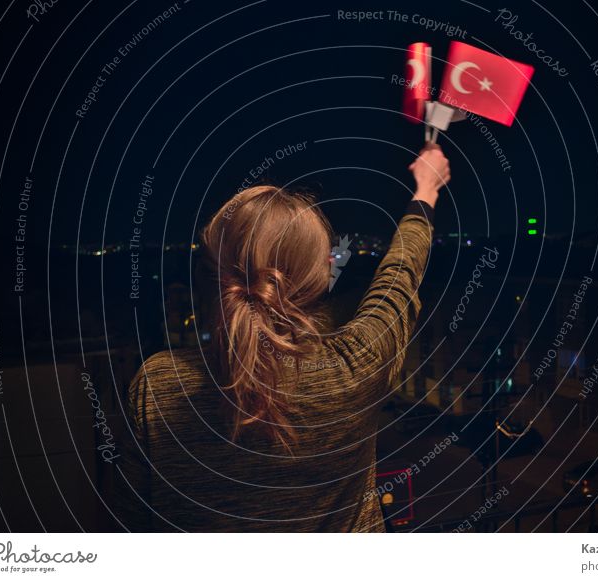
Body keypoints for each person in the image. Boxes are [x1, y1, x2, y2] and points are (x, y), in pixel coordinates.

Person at [116, 143, 451, 531]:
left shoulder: (158, 386)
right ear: (314, 280)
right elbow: (399, 275)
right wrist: (426, 191)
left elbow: (131, 523)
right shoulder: (354, 367)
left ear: (211, 272)